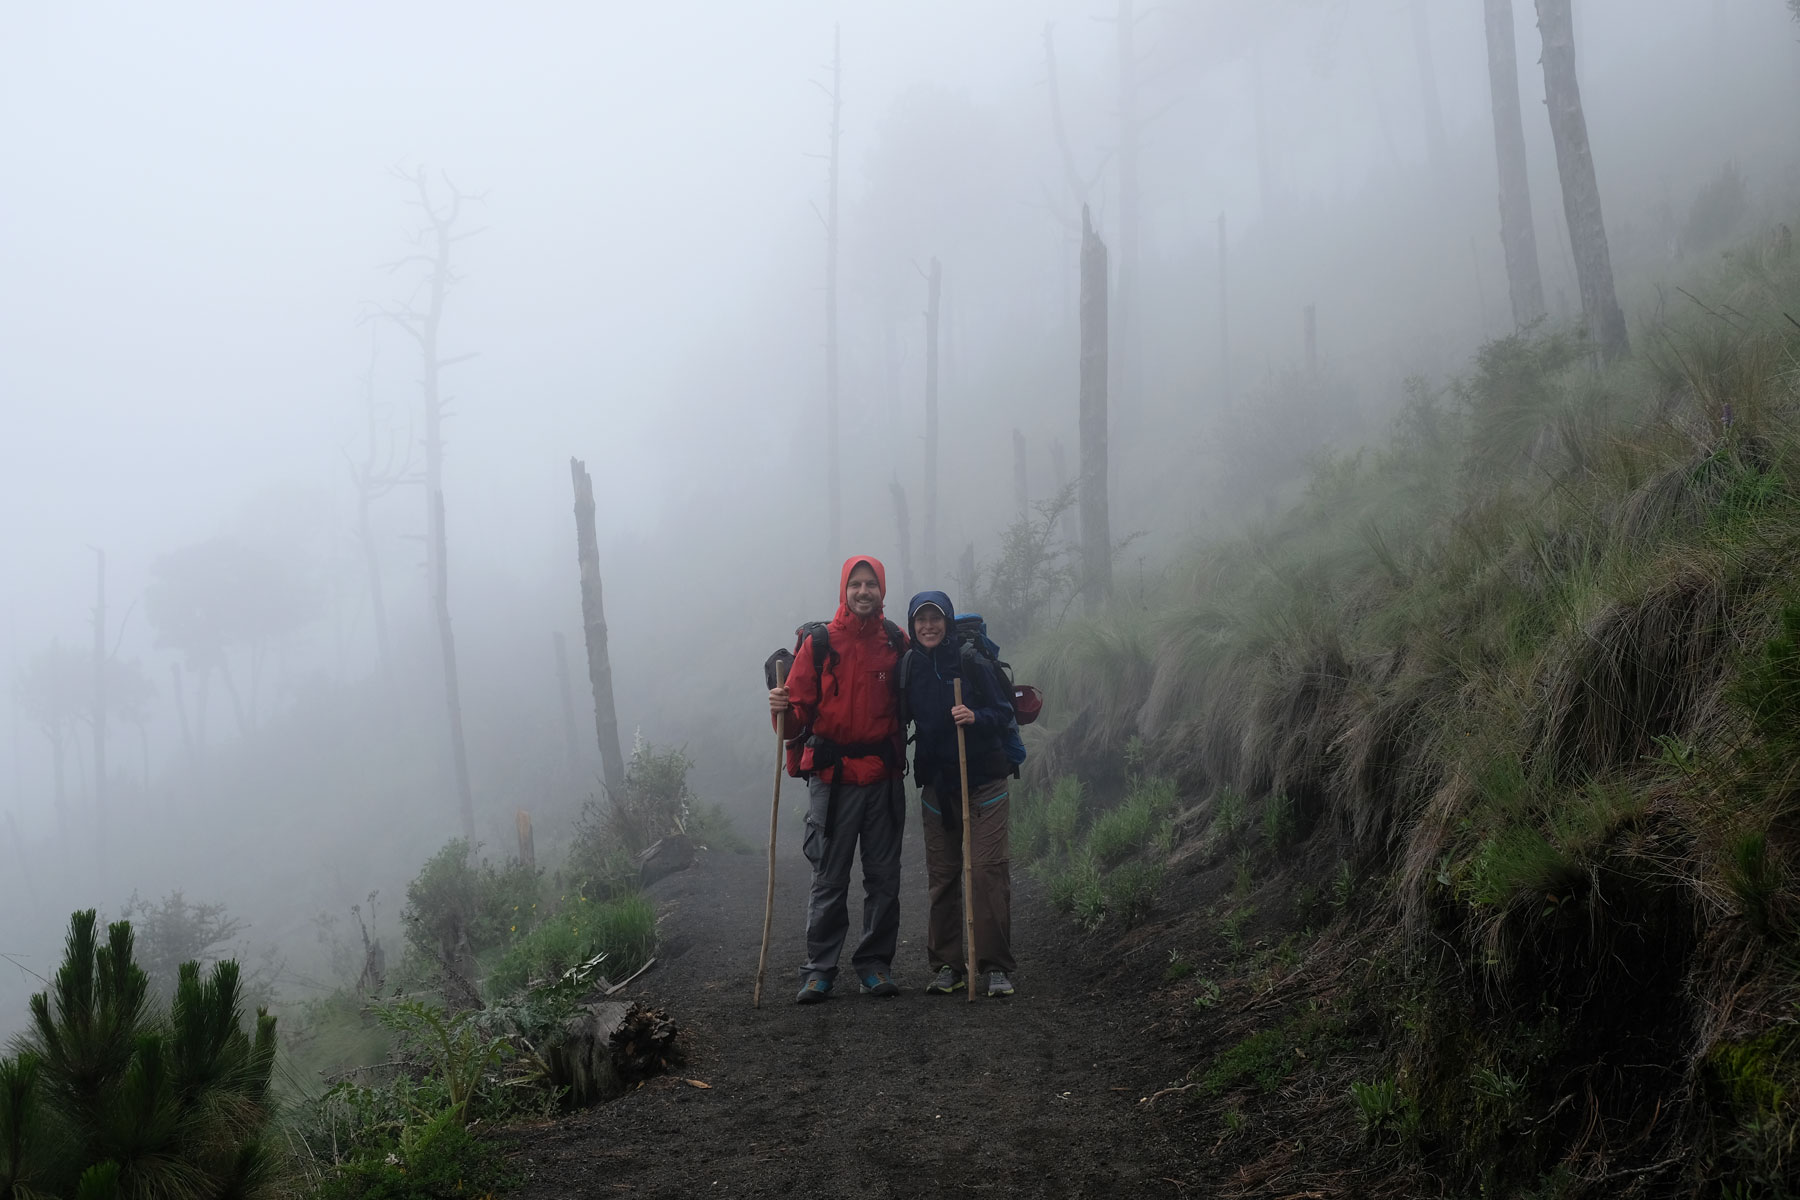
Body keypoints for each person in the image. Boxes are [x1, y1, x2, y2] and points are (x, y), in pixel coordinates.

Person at [768, 555, 907, 1004]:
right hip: (834, 779)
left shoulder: (895, 642)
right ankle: (819, 970)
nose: (864, 592)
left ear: (882, 590)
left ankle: (874, 964)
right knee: (830, 877)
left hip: (883, 777)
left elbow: (917, 696)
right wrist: (782, 710)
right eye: (856, 584)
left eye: (871, 585)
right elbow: (800, 714)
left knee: (884, 879)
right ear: (844, 591)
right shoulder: (822, 642)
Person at [900, 590, 1016, 998]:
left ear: (947, 621)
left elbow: (1005, 712)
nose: (928, 626)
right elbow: (895, 718)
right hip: (937, 787)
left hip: (984, 780)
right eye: (920, 620)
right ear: (912, 626)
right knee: (943, 877)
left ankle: (996, 967)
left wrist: (975, 716)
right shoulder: (910, 666)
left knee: (986, 873)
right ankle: (950, 966)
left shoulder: (971, 661)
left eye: (935, 618)